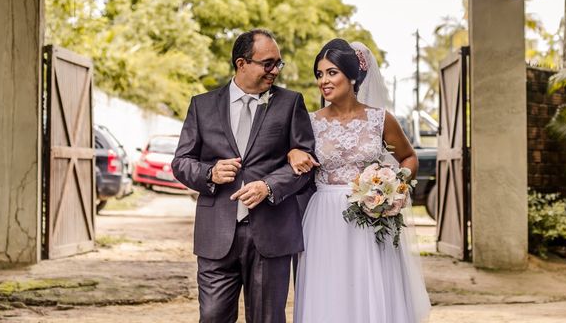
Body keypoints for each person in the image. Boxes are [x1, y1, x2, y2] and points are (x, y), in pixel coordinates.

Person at [172, 29, 316, 323]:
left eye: (278, 63)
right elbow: (181, 162)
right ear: (241, 64)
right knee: (212, 317)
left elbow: (305, 166)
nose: (275, 70)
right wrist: (209, 173)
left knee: (267, 319)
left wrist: (269, 186)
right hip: (216, 233)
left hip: (272, 232)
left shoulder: (291, 103)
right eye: (268, 63)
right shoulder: (202, 105)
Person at [292, 38, 431, 323]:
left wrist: (393, 188)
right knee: (329, 288)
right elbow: (293, 153)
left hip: (370, 217)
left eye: (332, 72)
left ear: (353, 76)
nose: (324, 81)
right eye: (319, 74)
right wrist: (293, 152)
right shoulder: (310, 121)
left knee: (369, 286)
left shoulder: (381, 119)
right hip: (325, 218)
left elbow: (408, 158)